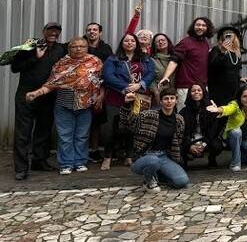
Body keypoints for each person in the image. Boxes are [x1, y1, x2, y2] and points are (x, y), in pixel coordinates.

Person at [25, 37, 104, 175]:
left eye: (82, 46)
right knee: (65, 136)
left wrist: (100, 96)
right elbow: (51, 84)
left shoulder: (95, 62)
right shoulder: (61, 64)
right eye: (74, 46)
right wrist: (35, 93)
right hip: (64, 105)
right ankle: (66, 163)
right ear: (69, 49)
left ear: (87, 48)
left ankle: (80, 162)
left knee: (82, 136)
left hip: (85, 106)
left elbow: (102, 82)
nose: (78, 49)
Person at [11, 22, 67, 180]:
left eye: (57, 31)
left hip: (48, 96)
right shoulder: (30, 45)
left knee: (43, 131)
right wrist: (36, 57)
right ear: (44, 31)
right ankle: (21, 168)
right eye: (50, 30)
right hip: (26, 95)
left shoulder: (61, 49)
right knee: (23, 133)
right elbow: (15, 67)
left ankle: (39, 161)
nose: (54, 33)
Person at [101, 33, 156, 171]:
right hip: (116, 98)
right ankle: (108, 157)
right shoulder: (113, 59)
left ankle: (129, 156)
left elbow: (151, 73)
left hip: (138, 98)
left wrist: (140, 84)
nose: (130, 43)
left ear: (136, 43)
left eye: (133, 40)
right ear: (122, 43)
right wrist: (125, 87)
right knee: (111, 129)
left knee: (133, 127)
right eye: (127, 40)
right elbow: (108, 76)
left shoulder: (144, 59)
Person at [120, 86, 189, 191]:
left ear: (176, 100)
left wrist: (177, 159)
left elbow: (178, 142)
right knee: (153, 161)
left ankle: (158, 176)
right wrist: (126, 104)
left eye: (172, 98)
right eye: (166, 99)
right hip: (144, 156)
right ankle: (149, 181)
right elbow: (128, 122)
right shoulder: (149, 115)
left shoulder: (179, 120)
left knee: (182, 181)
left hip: (163, 156)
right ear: (161, 101)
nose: (169, 101)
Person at [159, 17, 215, 110]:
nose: (200, 27)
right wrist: (166, 76)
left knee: (202, 117)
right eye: (198, 25)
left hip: (202, 88)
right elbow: (174, 61)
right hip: (186, 87)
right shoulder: (186, 42)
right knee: (184, 116)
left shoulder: (206, 43)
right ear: (193, 27)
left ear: (208, 28)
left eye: (203, 25)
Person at [84, 22, 113, 163]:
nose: (92, 32)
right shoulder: (80, 46)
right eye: (89, 30)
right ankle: (82, 151)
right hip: (82, 90)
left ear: (100, 33)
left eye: (95, 30)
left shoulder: (106, 49)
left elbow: (109, 71)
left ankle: (95, 150)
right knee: (82, 122)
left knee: (97, 122)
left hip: (100, 89)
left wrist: (102, 93)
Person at [179, 84, 224, 167]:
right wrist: (190, 145)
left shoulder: (210, 109)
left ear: (203, 92)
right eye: (193, 91)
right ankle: (184, 160)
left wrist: (204, 144)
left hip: (206, 139)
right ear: (189, 94)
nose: (196, 92)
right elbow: (182, 132)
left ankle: (212, 158)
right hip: (190, 140)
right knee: (179, 145)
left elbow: (213, 131)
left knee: (217, 145)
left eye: (199, 90)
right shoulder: (184, 112)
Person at [208, 26, 247, 107]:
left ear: (235, 36)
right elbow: (213, 65)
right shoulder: (216, 50)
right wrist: (223, 51)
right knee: (221, 113)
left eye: (231, 33)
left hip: (233, 90)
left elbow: (234, 69)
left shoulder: (236, 52)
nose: (228, 34)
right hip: (220, 89)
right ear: (222, 36)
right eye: (226, 33)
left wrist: (239, 78)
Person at [149, 33, 175, 104]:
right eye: (158, 41)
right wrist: (156, 92)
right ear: (154, 45)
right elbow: (150, 78)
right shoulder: (151, 60)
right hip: (160, 96)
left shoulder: (175, 59)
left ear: (168, 42)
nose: (160, 42)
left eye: (163, 40)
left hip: (176, 95)